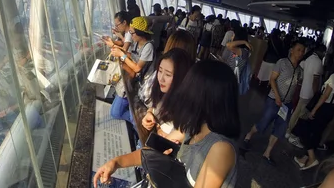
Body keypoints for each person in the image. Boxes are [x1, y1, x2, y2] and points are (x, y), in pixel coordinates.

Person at [93, 60, 240, 188]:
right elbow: (151, 152)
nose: (183, 94)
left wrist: (165, 168)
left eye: (189, 89)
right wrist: (116, 162)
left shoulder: (220, 148)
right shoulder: (192, 128)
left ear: (204, 98)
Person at [242, 38, 306, 165]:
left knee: (280, 129)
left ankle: (267, 153)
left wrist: (290, 103)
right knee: (264, 122)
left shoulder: (300, 71)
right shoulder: (282, 63)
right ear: (292, 51)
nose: (301, 53)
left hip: (286, 104)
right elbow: (272, 80)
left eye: (303, 51)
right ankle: (249, 134)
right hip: (274, 100)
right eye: (298, 50)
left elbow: (296, 87)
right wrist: (277, 97)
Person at [293, 57, 334, 170]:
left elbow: (325, 95)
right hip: (331, 109)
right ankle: (305, 158)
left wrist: (314, 109)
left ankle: (312, 158)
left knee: (306, 130)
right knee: (317, 133)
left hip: (323, 108)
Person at [140, 48, 194, 142]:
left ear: (181, 77)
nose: (161, 78)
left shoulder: (187, 106)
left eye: (168, 75)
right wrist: (150, 113)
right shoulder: (163, 92)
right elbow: (154, 107)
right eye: (160, 71)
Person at [109, 16, 154, 125]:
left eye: (132, 33)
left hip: (144, 85)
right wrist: (117, 49)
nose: (130, 35)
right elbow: (132, 55)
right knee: (125, 115)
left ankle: (140, 131)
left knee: (133, 117)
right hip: (136, 83)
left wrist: (122, 55)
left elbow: (137, 68)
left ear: (140, 33)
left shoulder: (148, 47)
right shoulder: (138, 43)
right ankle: (137, 126)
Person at [286, 44, 325, 137]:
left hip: (303, 90)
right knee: (302, 115)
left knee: (296, 112)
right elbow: (315, 80)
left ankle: (288, 130)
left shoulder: (308, 59)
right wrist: (316, 93)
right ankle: (294, 134)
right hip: (309, 93)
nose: (324, 54)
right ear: (320, 51)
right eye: (324, 52)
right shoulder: (318, 62)